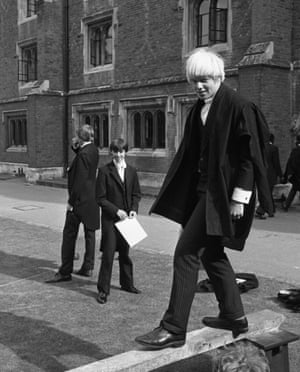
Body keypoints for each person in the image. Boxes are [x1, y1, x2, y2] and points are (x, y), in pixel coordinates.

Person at [135, 48, 272, 350]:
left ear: (220, 76)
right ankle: (234, 315)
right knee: (211, 254)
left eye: (205, 80)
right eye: (195, 80)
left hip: (222, 195)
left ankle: (173, 328)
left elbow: (250, 158)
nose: (199, 86)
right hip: (202, 192)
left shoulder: (239, 106)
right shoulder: (200, 109)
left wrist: (239, 198)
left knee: (186, 252)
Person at [46, 124, 100, 283]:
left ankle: (65, 271)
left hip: (79, 201)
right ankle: (88, 266)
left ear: (80, 137)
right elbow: (83, 155)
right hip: (92, 198)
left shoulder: (84, 154)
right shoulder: (93, 150)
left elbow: (79, 181)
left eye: (77, 136)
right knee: (90, 234)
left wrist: (71, 202)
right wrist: (75, 146)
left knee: (69, 235)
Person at [95, 138, 141, 304]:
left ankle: (127, 283)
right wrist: (116, 211)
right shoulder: (104, 171)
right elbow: (100, 198)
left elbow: (136, 194)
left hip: (127, 221)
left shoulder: (132, 171)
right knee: (108, 255)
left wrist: (134, 210)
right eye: (116, 151)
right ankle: (103, 290)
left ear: (125, 152)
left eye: (122, 151)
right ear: (111, 152)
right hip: (110, 221)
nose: (119, 155)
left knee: (125, 254)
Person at [255, 133, 282, 219]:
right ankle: (266, 210)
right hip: (271, 174)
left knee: (265, 191)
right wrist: (280, 174)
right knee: (268, 192)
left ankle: (269, 209)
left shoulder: (260, 148)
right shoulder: (274, 149)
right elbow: (276, 163)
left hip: (261, 173)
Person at [281, 134, 300, 211]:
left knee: (294, 190)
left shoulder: (295, 151)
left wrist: (289, 173)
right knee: (294, 190)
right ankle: (286, 205)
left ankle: (286, 205)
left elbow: (291, 163)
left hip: (297, 174)